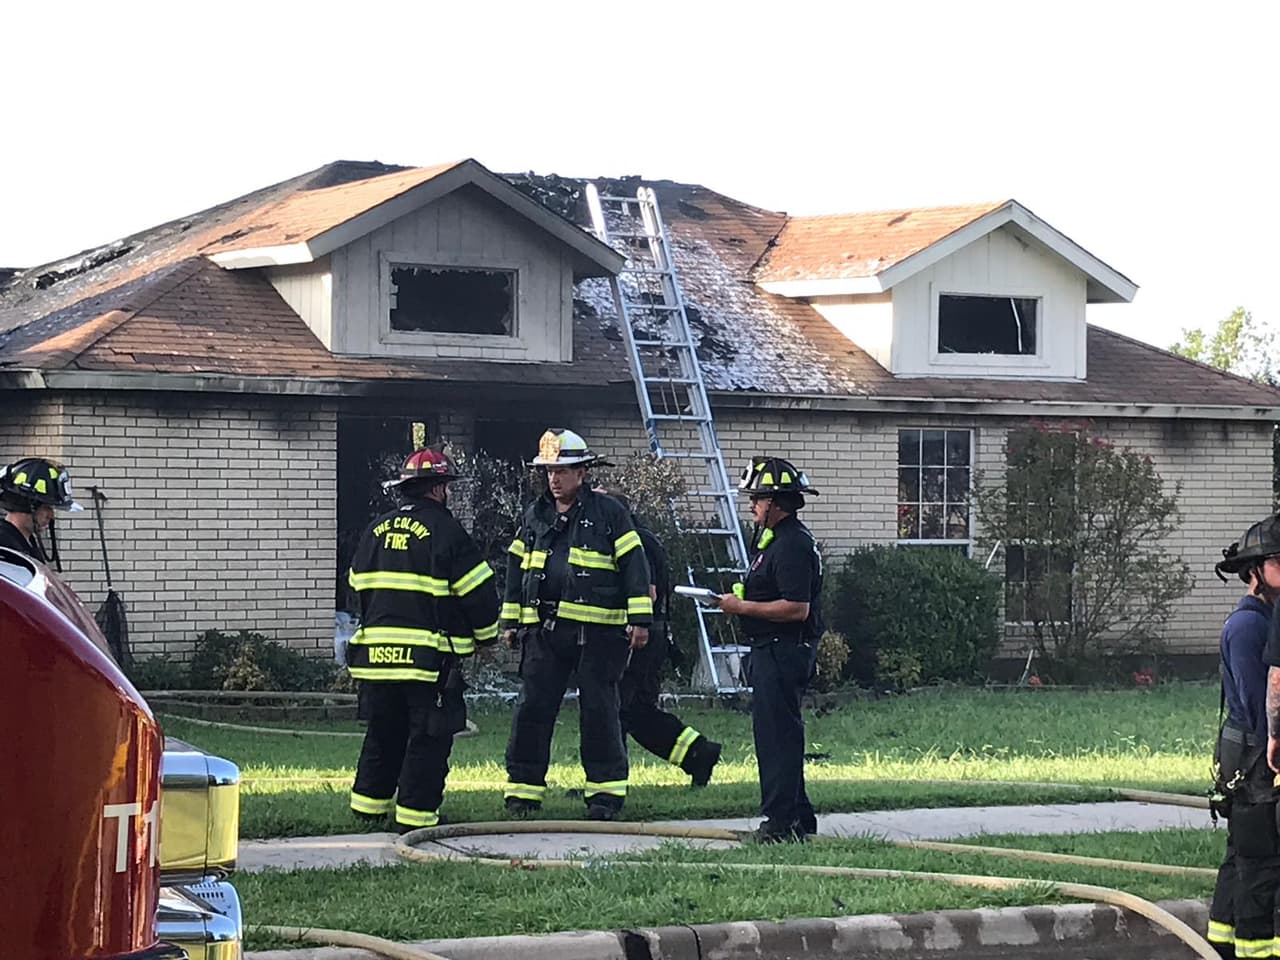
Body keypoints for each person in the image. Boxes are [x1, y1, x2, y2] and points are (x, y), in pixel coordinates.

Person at [345, 448, 500, 834]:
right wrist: (486, 638)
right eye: (446, 487)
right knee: (428, 738)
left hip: (375, 659)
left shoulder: (374, 530)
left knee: (383, 732)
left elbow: (356, 587)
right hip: (427, 662)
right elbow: (478, 594)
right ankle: (416, 817)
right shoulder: (447, 532)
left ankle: (367, 808)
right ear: (437, 490)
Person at [501, 429, 653, 821]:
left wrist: (639, 620)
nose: (554, 478)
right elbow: (517, 569)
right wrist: (511, 621)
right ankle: (522, 792)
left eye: (562, 471)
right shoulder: (535, 515)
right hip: (543, 632)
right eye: (549, 471)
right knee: (532, 709)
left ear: (582, 473)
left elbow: (635, 567)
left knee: (599, 711)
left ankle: (605, 795)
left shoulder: (609, 514)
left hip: (598, 634)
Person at [716, 456, 823, 843]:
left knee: (777, 737)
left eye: (757, 499)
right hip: (770, 649)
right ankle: (798, 817)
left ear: (777, 503)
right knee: (778, 734)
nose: (751, 506)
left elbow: (797, 608)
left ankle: (779, 824)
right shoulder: (776, 541)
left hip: (783, 650)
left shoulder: (792, 545)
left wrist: (742, 607)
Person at [597, 487, 722, 787]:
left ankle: (608, 781)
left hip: (636, 637)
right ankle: (698, 753)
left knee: (615, 709)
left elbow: (647, 593)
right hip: (649, 636)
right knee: (637, 712)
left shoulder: (634, 542)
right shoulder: (641, 537)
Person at [1209, 515, 1280, 958]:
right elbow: (1261, 710)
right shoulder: (1249, 626)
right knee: (1260, 866)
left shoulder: (1268, 618)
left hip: (1250, 761)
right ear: (1254, 571)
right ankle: (1253, 951)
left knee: (1243, 859)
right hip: (1257, 766)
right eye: (1279, 562)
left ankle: (1221, 944)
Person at [0, 457, 83, 566]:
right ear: (24, 505)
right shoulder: (5, 547)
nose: (51, 516)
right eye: (46, 507)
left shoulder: (24, 541)